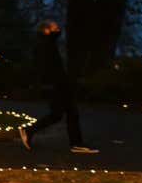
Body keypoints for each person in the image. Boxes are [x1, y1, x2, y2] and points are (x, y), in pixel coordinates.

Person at [19, 20, 98, 154]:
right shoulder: (45, 45)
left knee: (65, 114)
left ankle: (75, 143)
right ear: (46, 30)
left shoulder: (49, 44)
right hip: (56, 86)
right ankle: (75, 143)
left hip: (59, 85)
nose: (58, 30)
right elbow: (46, 68)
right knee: (63, 114)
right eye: (55, 28)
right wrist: (52, 84)